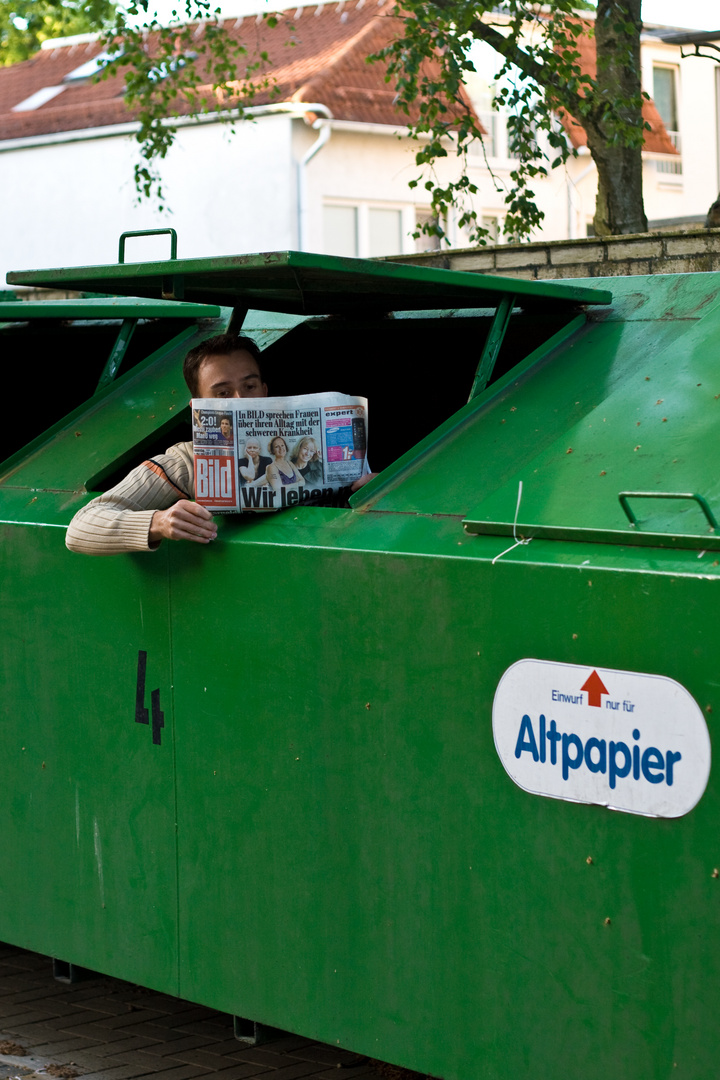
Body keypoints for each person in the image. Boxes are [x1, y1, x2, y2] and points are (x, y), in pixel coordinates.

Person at [65, 332, 374, 555]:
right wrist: (159, 522)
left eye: (249, 386)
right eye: (223, 393)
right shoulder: (184, 464)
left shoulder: (308, 450)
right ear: (196, 409)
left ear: (265, 391)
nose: (241, 400)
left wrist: (374, 493)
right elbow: (81, 527)